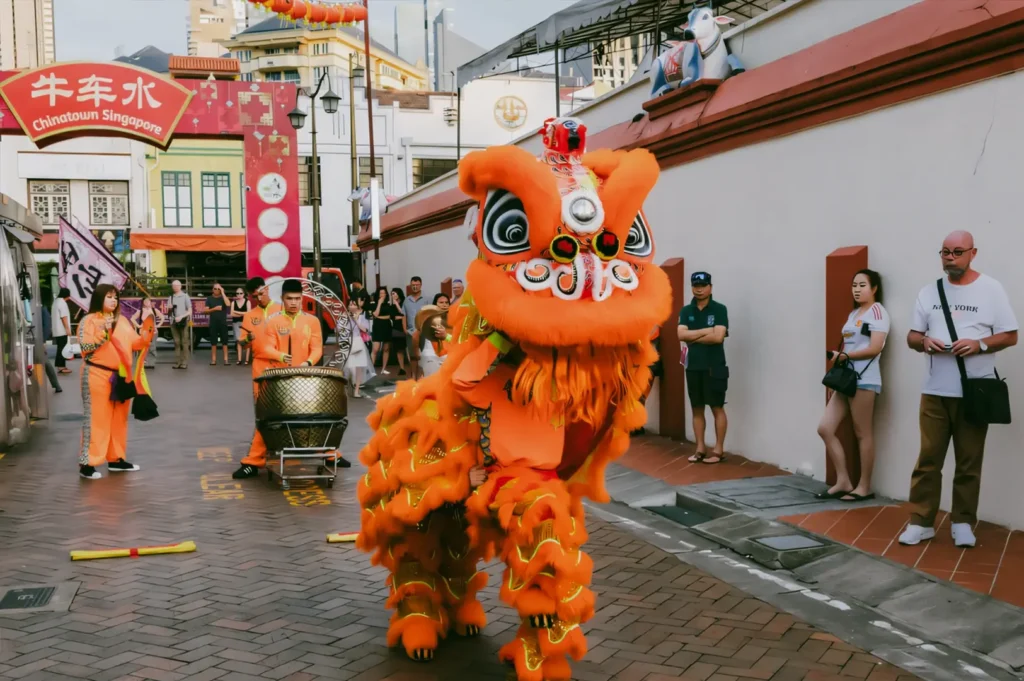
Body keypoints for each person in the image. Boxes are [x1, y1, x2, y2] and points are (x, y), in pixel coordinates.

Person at [900, 231, 1018, 548]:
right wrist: (924, 342)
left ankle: (963, 522)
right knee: (928, 461)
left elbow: (1010, 336)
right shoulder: (929, 292)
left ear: (972, 253)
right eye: (944, 252)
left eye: (957, 251)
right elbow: (912, 336)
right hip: (935, 391)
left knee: (968, 463)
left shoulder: (991, 290)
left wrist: (978, 344)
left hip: (975, 392)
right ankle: (920, 521)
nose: (950, 257)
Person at [816, 270, 889, 502]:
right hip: (846, 379)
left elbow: (876, 347)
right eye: (854, 285)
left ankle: (864, 486)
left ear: (874, 288)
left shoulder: (878, 312)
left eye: (862, 285)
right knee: (825, 428)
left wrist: (846, 357)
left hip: (865, 379)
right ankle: (843, 480)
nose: (857, 289)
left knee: (862, 432)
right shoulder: (854, 313)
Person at [77, 284, 154, 480]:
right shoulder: (89, 320)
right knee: (97, 419)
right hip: (96, 374)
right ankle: (88, 462)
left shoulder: (124, 321)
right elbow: (85, 347)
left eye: (115, 297)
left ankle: (116, 459)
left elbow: (135, 342)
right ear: (99, 299)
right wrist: (103, 332)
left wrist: (146, 335)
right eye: (109, 296)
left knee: (119, 420)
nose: (113, 300)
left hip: (121, 376)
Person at [677, 272, 729, 464]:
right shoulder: (686, 310)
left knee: (717, 407)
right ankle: (700, 448)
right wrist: (707, 331)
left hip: (714, 367)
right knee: (696, 408)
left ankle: (718, 450)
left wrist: (694, 335)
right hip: (693, 367)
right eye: (695, 285)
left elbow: (718, 337)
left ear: (710, 287)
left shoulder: (719, 309)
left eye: (703, 285)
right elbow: (681, 335)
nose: (699, 288)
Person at [232, 277, 281, 480]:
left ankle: (327, 454)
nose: (258, 297)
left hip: (282, 365)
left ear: (267, 289)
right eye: (254, 295)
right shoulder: (249, 316)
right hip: (260, 367)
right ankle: (254, 460)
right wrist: (247, 340)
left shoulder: (281, 309)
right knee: (263, 413)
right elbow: (242, 343)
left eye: (261, 293)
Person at [343, 297, 373, 397]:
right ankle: (348, 386)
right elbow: (340, 329)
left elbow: (365, 329)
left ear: (357, 306)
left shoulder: (361, 316)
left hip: (358, 342)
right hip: (348, 342)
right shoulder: (344, 316)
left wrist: (356, 320)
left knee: (359, 367)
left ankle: (356, 390)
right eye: (350, 304)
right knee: (349, 367)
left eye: (354, 304)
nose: (352, 306)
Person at [402, 276, 427, 378]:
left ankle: (423, 376)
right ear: (410, 286)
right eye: (413, 285)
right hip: (411, 332)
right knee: (413, 356)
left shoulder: (426, 299)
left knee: (423, 355)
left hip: (424, 332)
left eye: (417, 285)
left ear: (421, 285)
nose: (415, 287)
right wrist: (404, 329)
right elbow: (404, 315)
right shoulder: (406, 300)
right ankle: (413, 377)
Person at [131, 297, 165, 369]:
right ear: (143, 302)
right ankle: (143, 362)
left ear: (150, 302)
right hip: (144, 332)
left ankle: (151, 363)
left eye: (148, 301)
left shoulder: (154, 310)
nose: (147, 302)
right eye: (145, 301)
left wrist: (158, 325)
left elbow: (162, 317)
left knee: (152, 347)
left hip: (153, 332)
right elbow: (132, 318)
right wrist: (138, 325)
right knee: (143, 347)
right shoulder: (140, 311)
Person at [416, 305, 449, 378]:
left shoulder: (452, 324)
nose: (444, 305)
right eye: (441, 302)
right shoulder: (425, 326)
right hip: (431, 361)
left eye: (446, 302)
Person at [370, 287, 395, 374]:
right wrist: (379, 303)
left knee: (386, 348)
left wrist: (379, 317)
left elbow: (390, 316)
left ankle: (383, 368)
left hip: (386, 327)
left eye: (383, 293)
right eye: (380, 293)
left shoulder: (389, 305)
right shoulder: (374, 304)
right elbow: (375, 313)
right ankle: (371, 369)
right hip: (377, 327)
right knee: (375, 349)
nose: (382, 295)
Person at [168, 280, 192, 369]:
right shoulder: (170, 297)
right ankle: (178, 362)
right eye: (173, 286)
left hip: (183, 321)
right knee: (176, 342)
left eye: (176, 286)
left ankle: (184, 362)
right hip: (173, 322)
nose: (175, 287)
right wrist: (169, 309)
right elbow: (168, 311)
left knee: (184, 342)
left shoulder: (185, 296)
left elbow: (190, 311)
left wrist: (181, 316)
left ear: (180, 286)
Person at [206, 283, 231, 366]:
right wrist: (215, 309)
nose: (217, 290)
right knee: (213, 342)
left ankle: (226, 360)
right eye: (215, 288)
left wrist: (223, 292)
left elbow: (228, 304)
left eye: (218, 289)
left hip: (223, 322)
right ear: (212, 290)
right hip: (213, 323)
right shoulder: (209, 298)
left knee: (225, 341)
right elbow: (205, 311)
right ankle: (213, 360)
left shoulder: (223, 298)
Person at [51, 287, 72, 375]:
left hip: (56, 329)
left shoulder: (56, 302)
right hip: (62, 330)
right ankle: (61, 367)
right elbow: (64, 317)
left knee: (60, 348)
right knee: (62, 349)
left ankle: (61, 365)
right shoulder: (62, 303)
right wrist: (68, 329)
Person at [230, 287, 251, 365]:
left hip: (246, 323)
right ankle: (239, 359)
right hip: (236, 324)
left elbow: (248, 313)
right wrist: (242, 313)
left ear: (244, 294)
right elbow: (231, 314)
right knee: (238, 341)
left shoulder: (247, 302)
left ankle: (247, 359)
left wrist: (236, 312)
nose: (239, 295)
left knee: (247, 341)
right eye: (237, 293)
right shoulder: (233, 303)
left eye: (240, 293)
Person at [390, 288, 408, 375]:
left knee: (408, 348)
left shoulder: (405, 302)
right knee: (399, 349)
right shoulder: (392, 306)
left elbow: (403, 313)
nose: (393, 295)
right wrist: (402, 316)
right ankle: (402, 368)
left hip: (407, 328)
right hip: (397, 329)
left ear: (399, 294)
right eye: (392, 294)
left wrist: (397, 304)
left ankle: (411, 365)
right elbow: (394, 317)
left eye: (394, 293)